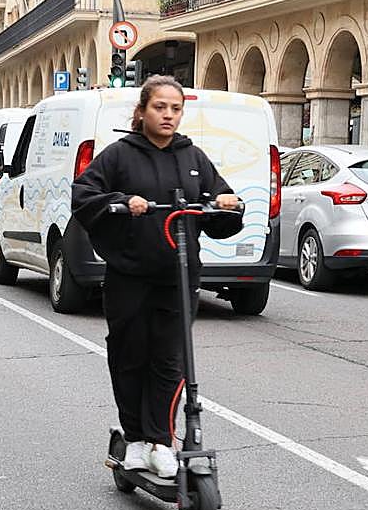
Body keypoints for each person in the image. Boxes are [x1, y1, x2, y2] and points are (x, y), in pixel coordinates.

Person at [72, 75, 242, 478]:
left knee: (170, 360)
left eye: (175, 108)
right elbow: (84, 195)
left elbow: (219, 213)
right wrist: (120, 201)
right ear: (142, 111)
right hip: (130, 275)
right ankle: (134, 439)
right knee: (130, 356)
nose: (168, 115)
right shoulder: (119, 154)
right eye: (160, 107)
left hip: (178, 276)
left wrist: (227, 204)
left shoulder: (193, 157)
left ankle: (161, 441)